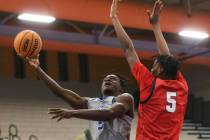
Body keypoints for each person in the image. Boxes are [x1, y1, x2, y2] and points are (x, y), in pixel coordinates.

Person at [110, 0, 188, 140]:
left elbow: (128, 49)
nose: (151, 68)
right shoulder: (181, 86)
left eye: (155, 64)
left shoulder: (150, 83)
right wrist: (156, 25)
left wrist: (114, 18)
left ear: (161, 70)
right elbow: (167, 58)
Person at [25, 56, 134, 140]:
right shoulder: (93, 102)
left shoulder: (125, 98)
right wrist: (38, 69)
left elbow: (110, 113)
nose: (108, 80)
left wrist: (73, 113)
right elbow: (61, 92)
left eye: (113, 79)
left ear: (121, 89)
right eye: (105, 79)